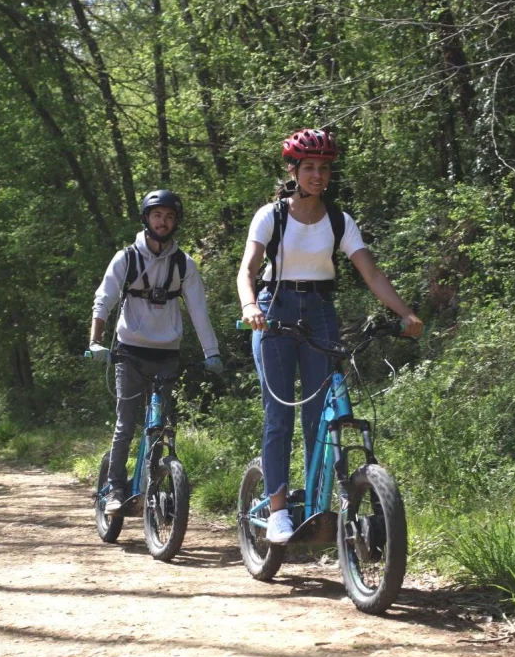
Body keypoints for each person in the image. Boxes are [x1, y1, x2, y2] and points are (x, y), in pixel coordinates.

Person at [237, 128, 423, 544]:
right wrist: (250, 306)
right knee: (280, 415)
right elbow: (248, 269)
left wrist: (406, 312)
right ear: (294, 170)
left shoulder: (340, 221)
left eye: (324, 168)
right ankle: (280, 509)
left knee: (319, 415)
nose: (317, 175)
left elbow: (370, 272)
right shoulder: (272, 216)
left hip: (320, 312)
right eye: (309, 168)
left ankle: (317, 507)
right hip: (274, 309)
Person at [90, 189, 223, 513]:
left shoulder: (183, 264)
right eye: (157, 215)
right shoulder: (127, 258)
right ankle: (115, 490)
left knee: (163, 426)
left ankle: (159, 486)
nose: (163, 221)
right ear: (146, 219)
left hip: (167, 353)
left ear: (175, 222)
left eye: (169, 216)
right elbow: (104, 299)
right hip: (129, 353)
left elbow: (199, 311)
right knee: (126, 423)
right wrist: (95, 341)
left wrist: (212, 353)